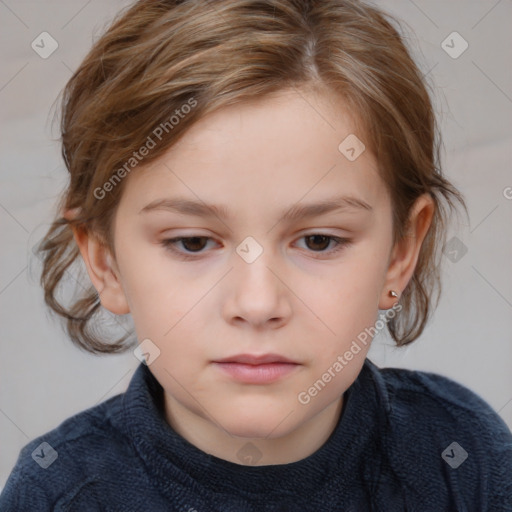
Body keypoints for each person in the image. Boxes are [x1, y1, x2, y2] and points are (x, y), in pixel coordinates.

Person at [1, 0, 511, 510]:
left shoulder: (464, 460)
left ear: (401, 251)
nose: (258, 302)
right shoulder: (57, 495)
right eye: (193, 242)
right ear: (105, 262)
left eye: (319, 241)